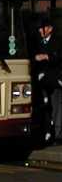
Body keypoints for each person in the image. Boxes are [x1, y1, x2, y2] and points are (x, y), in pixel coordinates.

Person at [32, 17, 62, 145]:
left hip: (55, 80)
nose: (39, 31)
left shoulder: (58, 42)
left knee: (56, 107)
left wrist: (46, 57)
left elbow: (58, 59)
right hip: (42, 81)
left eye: (42, 28)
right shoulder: (37, 42)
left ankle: (57, 134)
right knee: (44, 107)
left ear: (49, 29)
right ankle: (46, 132)